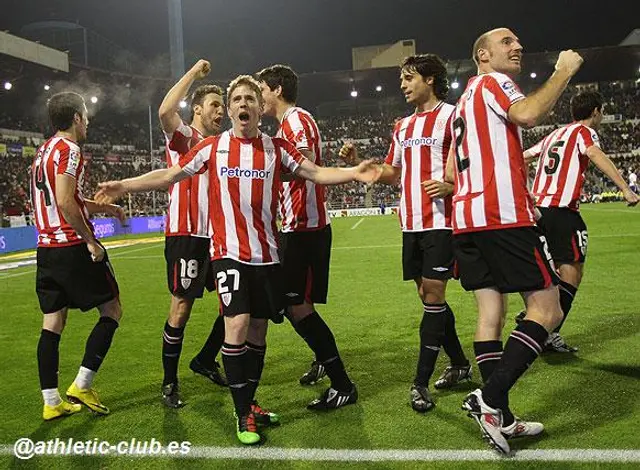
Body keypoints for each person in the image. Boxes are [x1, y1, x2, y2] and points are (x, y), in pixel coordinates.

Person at [95, 75, 379, 445]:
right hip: (228, 255)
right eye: (237, 99)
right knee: (238, 325)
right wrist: (124, 185)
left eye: (250, 98)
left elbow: (315, 173)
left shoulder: (277, 148)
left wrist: (354, 173)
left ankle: (250, 401)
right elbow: (171, 174)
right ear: (230, 110)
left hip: (268, 256)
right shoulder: (212, 148)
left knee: (258, 333)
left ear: (260, 108)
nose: (244, 104)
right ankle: (242, 412)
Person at [447, 28, 583, 454]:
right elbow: (527, 115)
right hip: (500, 217)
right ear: (483, 55)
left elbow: (452, 174)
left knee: (491, 312)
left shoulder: (462, 104)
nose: (517, 46)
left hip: (467, 220)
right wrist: (563, 71)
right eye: (507, 42)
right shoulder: (495, 82)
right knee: (547, 308)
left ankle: (501, 419)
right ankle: (491, 397)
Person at [339, 54, 470, 413]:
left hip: (441, 222)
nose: (402, 84)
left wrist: (450, 185)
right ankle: (459, 363)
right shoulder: (403, 127)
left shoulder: (453, 115)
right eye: (401, 79)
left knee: (433, 298)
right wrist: (357, 163)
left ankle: (420, 383)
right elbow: (393, 172)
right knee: (431, 300)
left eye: (409, 77)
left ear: (430, 79)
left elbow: (467, 161)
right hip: (410, 223)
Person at [256, 64, 357, 409]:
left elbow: (307, 163)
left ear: (277, 90)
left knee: (295, 305)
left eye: (261, 90)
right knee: (296, 304)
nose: (259, 96)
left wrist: (257, 172)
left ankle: (342, 383)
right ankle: (322, 360)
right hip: (295, 227)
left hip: (305, 228)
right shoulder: (286, 124)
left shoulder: (297, 121)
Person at [514, 91, 639, 351]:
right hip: (562, 212)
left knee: (551, 274)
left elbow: (522, 157)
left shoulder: (553, 135)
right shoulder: (584, 132)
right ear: (596, 112)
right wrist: (625, 188)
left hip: (539, 212)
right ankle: (545, 330)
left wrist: (523, 191)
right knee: (571, 274)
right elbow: (594, 154)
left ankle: (539, 320)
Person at [32, 92, 124, 420]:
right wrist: (91, 241)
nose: (87, 121)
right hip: (71, 246)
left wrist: (104, 208)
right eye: (84, 115)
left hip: (46, 249)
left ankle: (51, 401)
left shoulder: (43, 151)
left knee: (53, 323)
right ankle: (82, 384)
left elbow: (70, 197)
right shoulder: (70, 150)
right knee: (112, 308)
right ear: (75, 118)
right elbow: (65, 200)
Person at [157, 59, 228, 408]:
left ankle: (204, 359)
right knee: (181, 307)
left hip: (218, 237)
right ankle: (169, 383)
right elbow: (166, 110)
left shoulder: (223, 145)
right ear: (197, 109)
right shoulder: (186, 138)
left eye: (223, 106)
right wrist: (193, 74)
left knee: (236, 303)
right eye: (215, 105)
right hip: (186, 233)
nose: (222, 111)